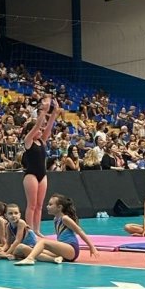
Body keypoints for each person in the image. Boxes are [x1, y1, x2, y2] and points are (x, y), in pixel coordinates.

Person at [14, 194, 98, 265]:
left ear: (59, 207)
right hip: (63, 251)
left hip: (71, 249)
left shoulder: (65, 218)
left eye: (50, 205)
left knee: (43, 242)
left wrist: (91, 246)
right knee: (39, 252)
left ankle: (30, 259)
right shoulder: (55, 219)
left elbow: (80, 231)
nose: (47, 206)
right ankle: (57, 259)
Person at [22, 97, 60, 231]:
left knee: (39, 205)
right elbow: (38, 125)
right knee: (31, 205)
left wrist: (54, 112)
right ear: (31, 131)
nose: (41, 130)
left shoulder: (43, 141)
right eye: (38, 130)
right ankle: (30, 230)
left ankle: (37, 230)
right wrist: (43, 111)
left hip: (42, 175)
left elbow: (49, 126)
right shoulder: (28, 141)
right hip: (31, 175)